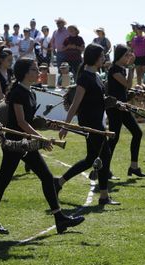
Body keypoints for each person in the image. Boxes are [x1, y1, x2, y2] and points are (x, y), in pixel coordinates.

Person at [0, 58, 85, 235]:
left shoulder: (31, 93)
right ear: (24, 72)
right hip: (15, 144)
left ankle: (59, 219)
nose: (38, 72)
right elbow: (21, 122)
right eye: (34, 69)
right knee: (3, 182)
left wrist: (48, 124)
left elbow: (30, 120)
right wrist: (42, 139)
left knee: (46, 176)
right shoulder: (17, 93)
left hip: (26, 144)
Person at [55, 43, 120, 206]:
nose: (104, 58)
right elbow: (75, 104)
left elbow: (97, 100)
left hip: (97, 120)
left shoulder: (96, 75)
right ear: (95, 58)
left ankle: (58, 183)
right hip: (90, 123)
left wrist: (112, 103)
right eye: (102, 55)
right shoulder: (84, 77)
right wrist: (66, 125)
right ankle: (104, 196)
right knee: (104, 154)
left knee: (91, 158)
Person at [107, 45, 145, 178]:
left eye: (129, 55)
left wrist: (132, 94)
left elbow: (123, 90)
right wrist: (131, 68)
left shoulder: (121, 69)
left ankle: (134, 167)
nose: (128, 57)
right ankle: (103, 169)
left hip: (122, 106)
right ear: (119, 56)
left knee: (137, 133)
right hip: (114, 108)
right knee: (114, 138)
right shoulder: (114, 69)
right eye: (126, 55)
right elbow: (127, 84)